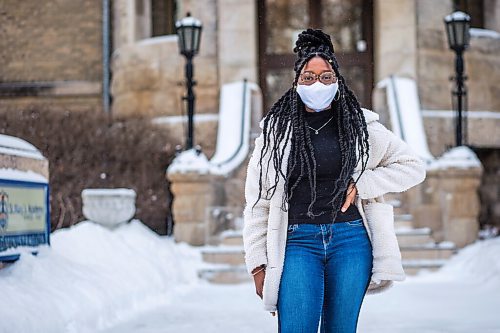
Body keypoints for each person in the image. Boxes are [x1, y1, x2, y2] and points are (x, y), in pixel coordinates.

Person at [242, 29, 426, 333]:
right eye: (309, 77)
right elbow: (258, 201)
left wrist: (363, 184)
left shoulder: (361, 126)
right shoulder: (276, 134)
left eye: (326, 77)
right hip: (297, 242)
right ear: (296, 82)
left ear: (337, 81)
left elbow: (412, 166)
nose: (318, 84)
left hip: (350, 241)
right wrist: (257, 264)